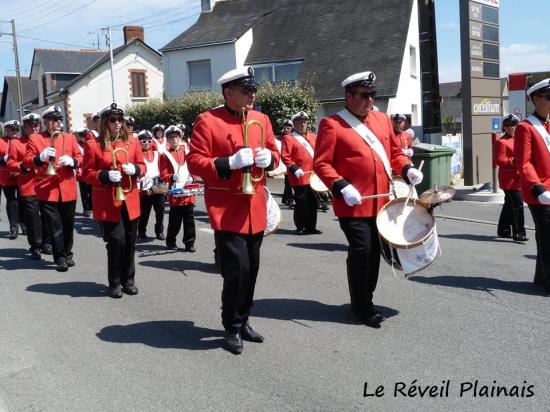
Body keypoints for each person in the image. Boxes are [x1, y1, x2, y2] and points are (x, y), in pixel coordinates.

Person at [313, 71, 423, 327]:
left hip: (381, 202)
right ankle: (362, 306)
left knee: (374, 253)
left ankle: (365, 299)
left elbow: (395, 152)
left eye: (372, 95)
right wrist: (341, 185)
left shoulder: (383, 120)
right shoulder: (332, 124)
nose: (370, 100)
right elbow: (321, 164)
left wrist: (407, 169)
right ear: (349, 96)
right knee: (362, 250)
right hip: (352, 203)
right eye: (364, 95)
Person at [187, 66, 280, 354]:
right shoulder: (207, 120)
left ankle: (244, 319)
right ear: (229, 93)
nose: (252, 95)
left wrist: (271, 159)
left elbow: (276, 154)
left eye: (254, 90)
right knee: (236, 271)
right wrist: (228, 162)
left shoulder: (262, 119)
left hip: (254, 207)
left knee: (251, 270)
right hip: (227, 210)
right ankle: (232, 326)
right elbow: (194, 162)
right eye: (246, 90)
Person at [82, 103, 145, 298]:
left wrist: (135, 169)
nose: (117, 123)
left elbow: (142, 166)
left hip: (130, 198)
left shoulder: (132, 142)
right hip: (108, 201)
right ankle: (115, 282)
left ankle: (129, 280)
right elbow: (86, 174)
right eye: (113, 120)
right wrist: (104, 176)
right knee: (117, 240)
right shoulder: (93, 144)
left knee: (130, 241)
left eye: (120, 120)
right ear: (105, 123)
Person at [24, 106, 83, 271]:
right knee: (54, 225)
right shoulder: (35, 139)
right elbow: (27, 161)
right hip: (47, 189)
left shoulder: (70, 138)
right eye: (54, 120)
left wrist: (73, 161)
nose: (58, 122)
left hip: (67, 188)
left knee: (68, 224)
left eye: (60, 119)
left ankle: (68, 252)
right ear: (46, 122)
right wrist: (39, 158)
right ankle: (60, 257)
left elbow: (80, 157)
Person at [514, 78, 550, 293]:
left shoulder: (547, 125)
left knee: (545, 237)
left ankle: (540, 277)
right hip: (541, 193)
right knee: (548, 238)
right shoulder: (525, 127)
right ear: (535, 99)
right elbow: (523, 162)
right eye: (549, 97)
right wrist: (538, 187)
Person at [7, 114, 50, 258]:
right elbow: (11, 163)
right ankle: (36, 245)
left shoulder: (45, 139)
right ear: (24, 127)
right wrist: (24, 167)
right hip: (28, 184)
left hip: (46, 184)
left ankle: (47, 242)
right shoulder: (16, 143)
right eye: (31, 125)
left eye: (37, 125)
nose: (35, 128)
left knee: (47, 215)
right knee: (32, 217)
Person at [281, 111, 321, 234]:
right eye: (299, 122)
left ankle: (311, 226)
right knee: (301, 202)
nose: (302, 124)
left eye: (304, 122)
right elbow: (285, 156)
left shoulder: (313, 137)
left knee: (313, 202)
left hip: (313, 176)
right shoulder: (289, 138)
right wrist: (294, 168)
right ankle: (300, 226)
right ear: (294, 124)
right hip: (299, 176)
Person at [160, 125, 196, 252]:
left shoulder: (187, 151)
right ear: (168, 140)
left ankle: (189, 243)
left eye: (176, 137)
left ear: (180, 138)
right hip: (175, 194)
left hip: (188, 192)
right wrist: (171, 177)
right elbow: (163, 175)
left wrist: (193, 176)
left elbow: (194, 167)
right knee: (175, 221)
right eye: (171, 138)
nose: (174, 140)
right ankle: (171, 241)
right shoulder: (165, 155)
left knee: (189, 220)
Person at [495, 114, 527, 242]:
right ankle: (519, 233)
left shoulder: (520, 139)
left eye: (513, 125)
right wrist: (515, 160)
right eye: (507, 125)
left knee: (509, 204)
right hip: (509, 179)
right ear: (503, 127)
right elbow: (500, 160)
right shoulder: (501, 142)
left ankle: (503, 230)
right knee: (518, 205)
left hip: (519, 178)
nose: (510, 127)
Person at [136, 130, 166, 241]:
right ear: (139, 142)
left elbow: (163, 169)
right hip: (145, 187)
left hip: (158, 185)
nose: (147, 143)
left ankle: (159, 231)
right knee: (144, 212)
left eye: (149, 140)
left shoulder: (157, 154)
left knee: (160, 211)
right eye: (144, 141)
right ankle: (142, 231)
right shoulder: (137, 156)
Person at [0, 120, 24, 239]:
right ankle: (13, 227)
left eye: (17, 129)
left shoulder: (22, 141)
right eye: (12, 129)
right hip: (7, 176)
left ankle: (24, 224)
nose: (15, 132)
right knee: (12, 202)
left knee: (22, 200)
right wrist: (3, 159)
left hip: (21, 175)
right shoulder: (0, 141)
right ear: (6, 130)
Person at [75, 128, 94, 216]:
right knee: (84, 192)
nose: (83, 137)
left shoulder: (89, 143)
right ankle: (86, 208)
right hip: (81, 171)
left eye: (84, 135)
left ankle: (92, 206)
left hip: (90, 171)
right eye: (81, 135)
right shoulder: (76, 145)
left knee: (91, 190)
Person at [279, 119, 294, 207]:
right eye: (284, 127)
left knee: (289, 182)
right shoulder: (280, 138)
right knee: (288, 182)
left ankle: (286, 198)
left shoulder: (294, 137)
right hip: (284, 163)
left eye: (288, 127)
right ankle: (289, 199)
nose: (286, 129)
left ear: (291, 128)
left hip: (292, 162)